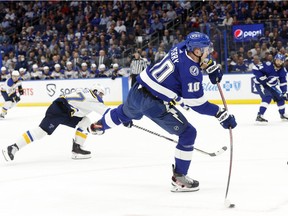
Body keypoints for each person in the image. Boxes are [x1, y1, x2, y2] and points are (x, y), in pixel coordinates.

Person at [89, 32, 237, 192]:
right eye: (205, 49)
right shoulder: (191, 72)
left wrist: (208, 65)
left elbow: (190, 65)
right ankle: (179, 179)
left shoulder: (181, 47)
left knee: (122, 113)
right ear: (196, 51)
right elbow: (196, 104)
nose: (208, 52)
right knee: (188, 133)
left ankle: (99, 126)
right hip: (154, 104)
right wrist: (220, 113)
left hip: (137, 90)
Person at [2, 83, 108, 161]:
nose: (101, 97)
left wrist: (92, 127)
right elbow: (108, 113)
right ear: (96, 92)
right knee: (40, 132)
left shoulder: (86, 92)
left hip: (66, 110)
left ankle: (77, 149)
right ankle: (13, 147)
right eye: (101, 94)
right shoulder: (93, 99)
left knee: (85, 121)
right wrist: (107, 124)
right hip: (60, 109)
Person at [253, 53, 288, 123]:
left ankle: (283, 114)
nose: (279, 63)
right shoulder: (268, 65)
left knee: (280, 98)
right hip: (261, 84)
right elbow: (255, 68)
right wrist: (261, 77)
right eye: (278, 60)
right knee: (268, 97)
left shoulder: (283, 71)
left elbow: (283, 83)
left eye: (281, 61)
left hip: (272, 86)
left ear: (283, 62)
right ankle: (259, 116)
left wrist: (284, 92)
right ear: (274, 60)